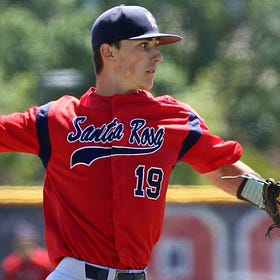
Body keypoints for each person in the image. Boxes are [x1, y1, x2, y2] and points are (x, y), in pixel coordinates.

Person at [0, 4, 271, 280]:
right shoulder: (56, 119)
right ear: (108, 52)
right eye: (144, 46)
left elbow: (223, 169)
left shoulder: (173, 119)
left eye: (156, 45)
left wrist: (268, 197)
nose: (158, 56)